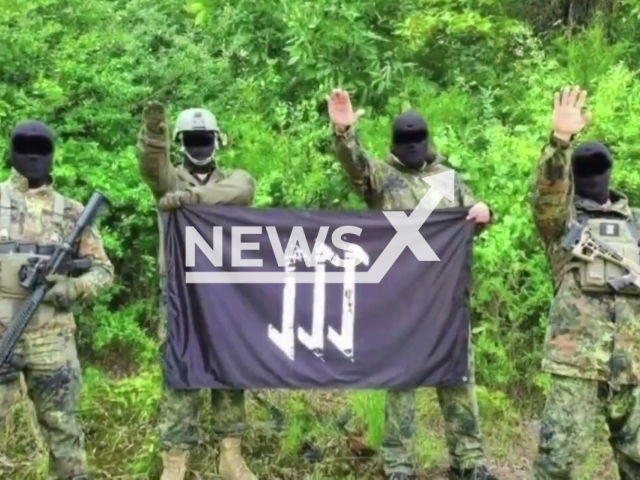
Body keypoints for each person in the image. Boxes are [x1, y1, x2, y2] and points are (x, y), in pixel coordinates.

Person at [327, 89, 498, 480]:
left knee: (458, 382)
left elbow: (475, 216)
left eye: (418, 144)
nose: (413, 151)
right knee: (401, 385)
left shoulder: (447, 178)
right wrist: (344, 132)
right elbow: (355, 166)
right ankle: (399, 465)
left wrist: (485, 212)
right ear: (395, 146)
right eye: (406, 145)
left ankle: (469, 461)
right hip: (401, 301)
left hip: (445, 300)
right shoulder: (382, 176)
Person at [136, 101, 257, 480]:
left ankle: (230, 456)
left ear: (216, 140)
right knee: (179, 370)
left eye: (204, 138)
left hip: (226, 293)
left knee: (230, 369)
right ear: (181, 142)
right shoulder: (169, 179)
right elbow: (151, 167)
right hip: (179, 293)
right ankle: (175, 461)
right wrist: (154, 131)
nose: (200, 145)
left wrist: (193, 200)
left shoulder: (233, 179)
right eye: (192, 139)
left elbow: (243, 190)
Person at [530, 85, 640, 480]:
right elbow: (546, 196)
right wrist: (560, 143)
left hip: (634, 367)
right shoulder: (562, 222)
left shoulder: (636, 223)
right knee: (558, 465)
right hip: (576, 363)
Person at [0, 120, 114, 480]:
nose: (33, 155)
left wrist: (70, 289)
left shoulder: (72, 212)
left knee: (64, 433)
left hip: (52, 335)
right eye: (25, 146)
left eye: (41, 147)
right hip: (2, 331)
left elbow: (103, 271)